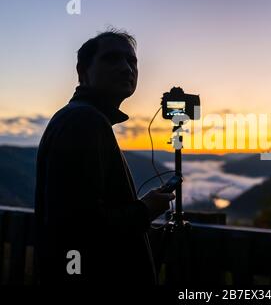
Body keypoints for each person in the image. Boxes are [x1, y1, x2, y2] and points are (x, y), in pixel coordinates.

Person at [34, 29, 174, 285]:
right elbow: (79, 226)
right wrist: (145, 209)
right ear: (82, 72)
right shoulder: (83, 121)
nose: (125, 68)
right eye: (111, 59)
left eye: (131, 61)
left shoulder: (82, 117)